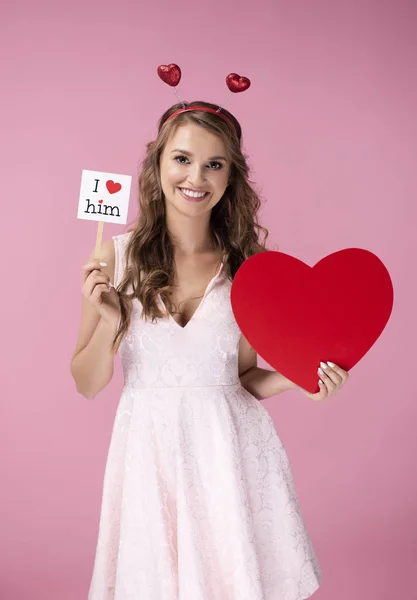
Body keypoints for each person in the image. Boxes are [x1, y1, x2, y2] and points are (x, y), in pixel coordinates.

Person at [71, 100, 349, 599]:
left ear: (230, 177)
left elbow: (242, 379)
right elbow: (87, 383)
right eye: (181, 159)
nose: (195, 176)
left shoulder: (250, 269)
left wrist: (302, 376)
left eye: (213, 164)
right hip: (148, 451)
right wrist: (111, 323)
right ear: (157, 165)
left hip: (226, 454)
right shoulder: (111, 257)